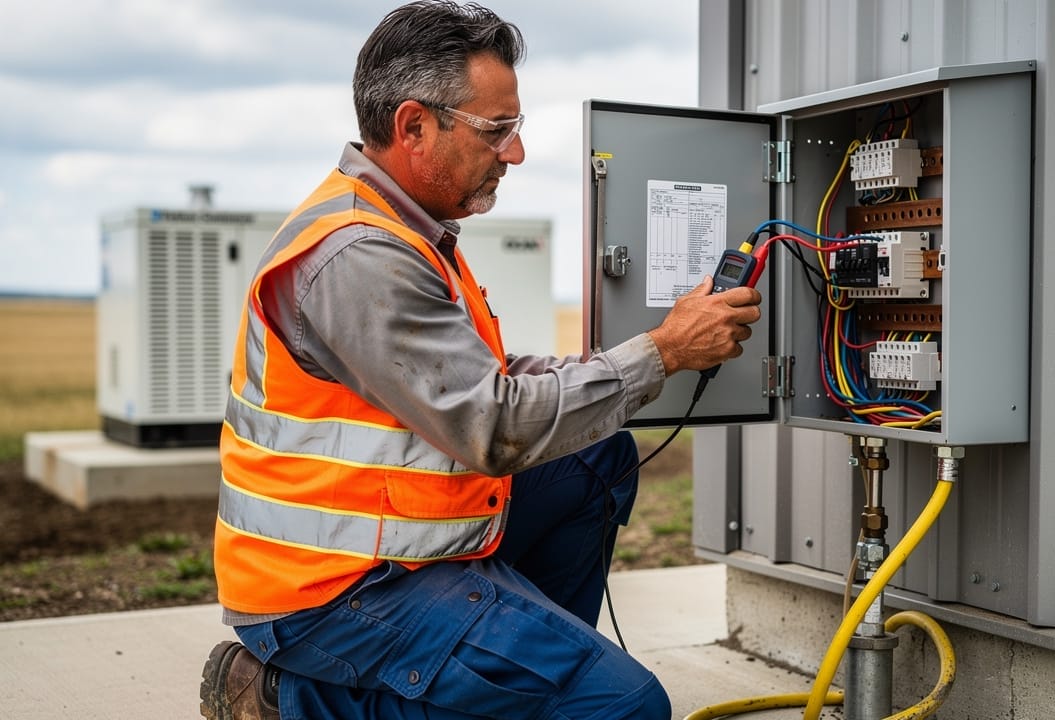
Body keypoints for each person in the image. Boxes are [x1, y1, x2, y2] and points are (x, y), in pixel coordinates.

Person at [197, 2, 761, 719]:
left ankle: (526, 686)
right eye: (497, 130)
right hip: (330, 589)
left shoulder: (405, 230)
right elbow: (491, 425)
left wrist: (619, 361)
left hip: (394, 548)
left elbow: (481, 381)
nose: (515, 153)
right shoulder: (360, 255)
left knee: (598, 459)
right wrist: (664, 351)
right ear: (413, 127)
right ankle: (284, 698)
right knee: (628, 708)